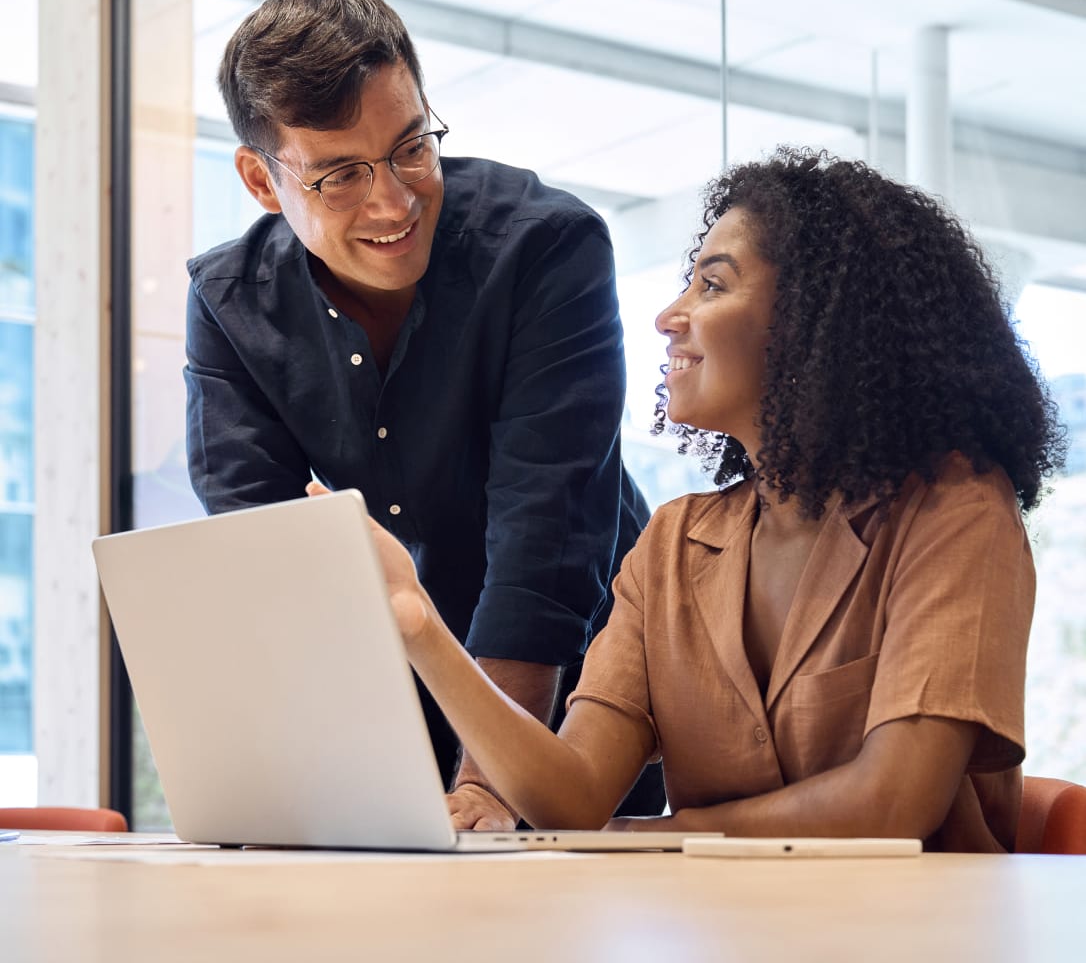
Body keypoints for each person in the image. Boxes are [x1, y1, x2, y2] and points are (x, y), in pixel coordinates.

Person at [355, 147, 1066, 851]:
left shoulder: (955, 509)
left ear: (814, 321)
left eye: (713, 286)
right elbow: (570, 794)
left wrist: (666, 835)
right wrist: (420, 628)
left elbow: (893, 801)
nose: (670, 315)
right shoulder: (672, 545)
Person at [184, 0, 662, 830]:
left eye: (411, 147)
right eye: (340, 176)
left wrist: (489, 780)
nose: (395, 202)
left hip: (577, 711)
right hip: (386, 720)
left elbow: (543, 537)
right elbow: (265, 550)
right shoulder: (231, 304)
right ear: (262, 179)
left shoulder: (547, 250)